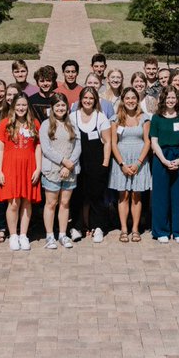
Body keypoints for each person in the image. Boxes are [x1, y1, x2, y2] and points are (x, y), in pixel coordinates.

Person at [0, 93, 42, 251]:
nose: (21, 108)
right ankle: (13, 235)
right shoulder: (5, 123)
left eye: (24, 105)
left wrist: (38, 168)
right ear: (13, 107)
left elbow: (38, 146)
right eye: (18, 105)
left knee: (27, 201)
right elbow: (0, 147)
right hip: (10, 167)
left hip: (29, 166)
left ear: (27, 106)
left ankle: (23, 235)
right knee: (13, 202)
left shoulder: (34, 123)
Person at [148, 86, 179, 243]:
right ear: (163, 99)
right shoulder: (156, 118)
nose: (171, 100)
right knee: (161, 196)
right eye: (168, 98)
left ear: (177, 99)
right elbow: (154, 142)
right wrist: (165, 161)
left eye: (173, 97)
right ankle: (161, 231)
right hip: (161, 158)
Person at [108, 87, 152, 242]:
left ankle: (135, 229)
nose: (130, 101)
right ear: (123, 100)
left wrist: (139, 163)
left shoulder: (144, 118)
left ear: (137, 100)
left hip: (139, 160)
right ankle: (124, 229)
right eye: (127, 98)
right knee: (123, 195)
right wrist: (122, 164)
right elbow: (113, 143)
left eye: (133, 98)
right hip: (122, 160)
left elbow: (148, 141)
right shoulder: (115, 118)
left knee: (136, 196)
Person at [70, 86, 112, 242]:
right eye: (85, 98)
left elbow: (107, 142)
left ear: (95, 101)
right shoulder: (72, 116)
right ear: (81, 99)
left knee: (96, 196)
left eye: (91, 98)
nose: (88, 101)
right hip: (77, 163)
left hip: (96, 162)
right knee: (78, 195)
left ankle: (98, 227)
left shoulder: (100, 117)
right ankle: (76, 226)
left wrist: (105, 163)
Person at [40, 94, 81, 249]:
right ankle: (50, 236)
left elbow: (77, 146)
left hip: (69, 170)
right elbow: (46, 149)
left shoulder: (72, 124)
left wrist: (69, 164)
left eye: (63, 105)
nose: (60, 108)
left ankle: (63, 234)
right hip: (53, 169)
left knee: (64, 203)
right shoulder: (46, 125)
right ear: (52, 108)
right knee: (51, 203)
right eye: (57, 106)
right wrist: (63, 161)